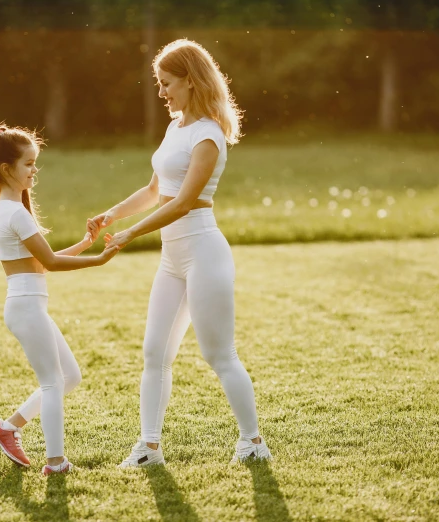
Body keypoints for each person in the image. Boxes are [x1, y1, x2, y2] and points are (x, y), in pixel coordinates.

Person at [90, 39, 272, 467]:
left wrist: (131, 234)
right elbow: (156, 190)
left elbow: (184, 201)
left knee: (219, 354)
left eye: (166, 83)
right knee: (155, 353)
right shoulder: (176, 127)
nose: (161, 92)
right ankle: (149, 448)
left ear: (190, 81)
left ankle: (253, 443)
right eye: (159, 83)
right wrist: (112, 215)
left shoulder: (208, 135)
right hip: (172, 258)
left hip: (204, 253)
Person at [0, 124, 119, 476]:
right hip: (26, 309)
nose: (34, 170)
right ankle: (56, 462)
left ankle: (8, 428)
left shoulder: (11, 211)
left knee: (69, 376)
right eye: (28, 164)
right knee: (53, 382)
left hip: (28, 307)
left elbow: (41, 260)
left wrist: (87, 245)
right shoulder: (15, 213)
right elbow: (52, 264)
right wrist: (100, 260)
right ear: (6, 169)